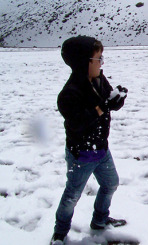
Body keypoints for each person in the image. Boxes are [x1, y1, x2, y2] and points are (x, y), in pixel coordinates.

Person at [51, 36, 128, 245]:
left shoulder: (99, 79)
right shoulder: (69, 93)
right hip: (81, 155)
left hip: (102, 150)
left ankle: (100, 221)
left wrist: (117, 100)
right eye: (98, 59)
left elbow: (108, 104)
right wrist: (104, 106)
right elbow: (78, 122)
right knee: (71, 197)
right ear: (83, 62)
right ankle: (59, 234)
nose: (101, 63)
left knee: (110, 184)